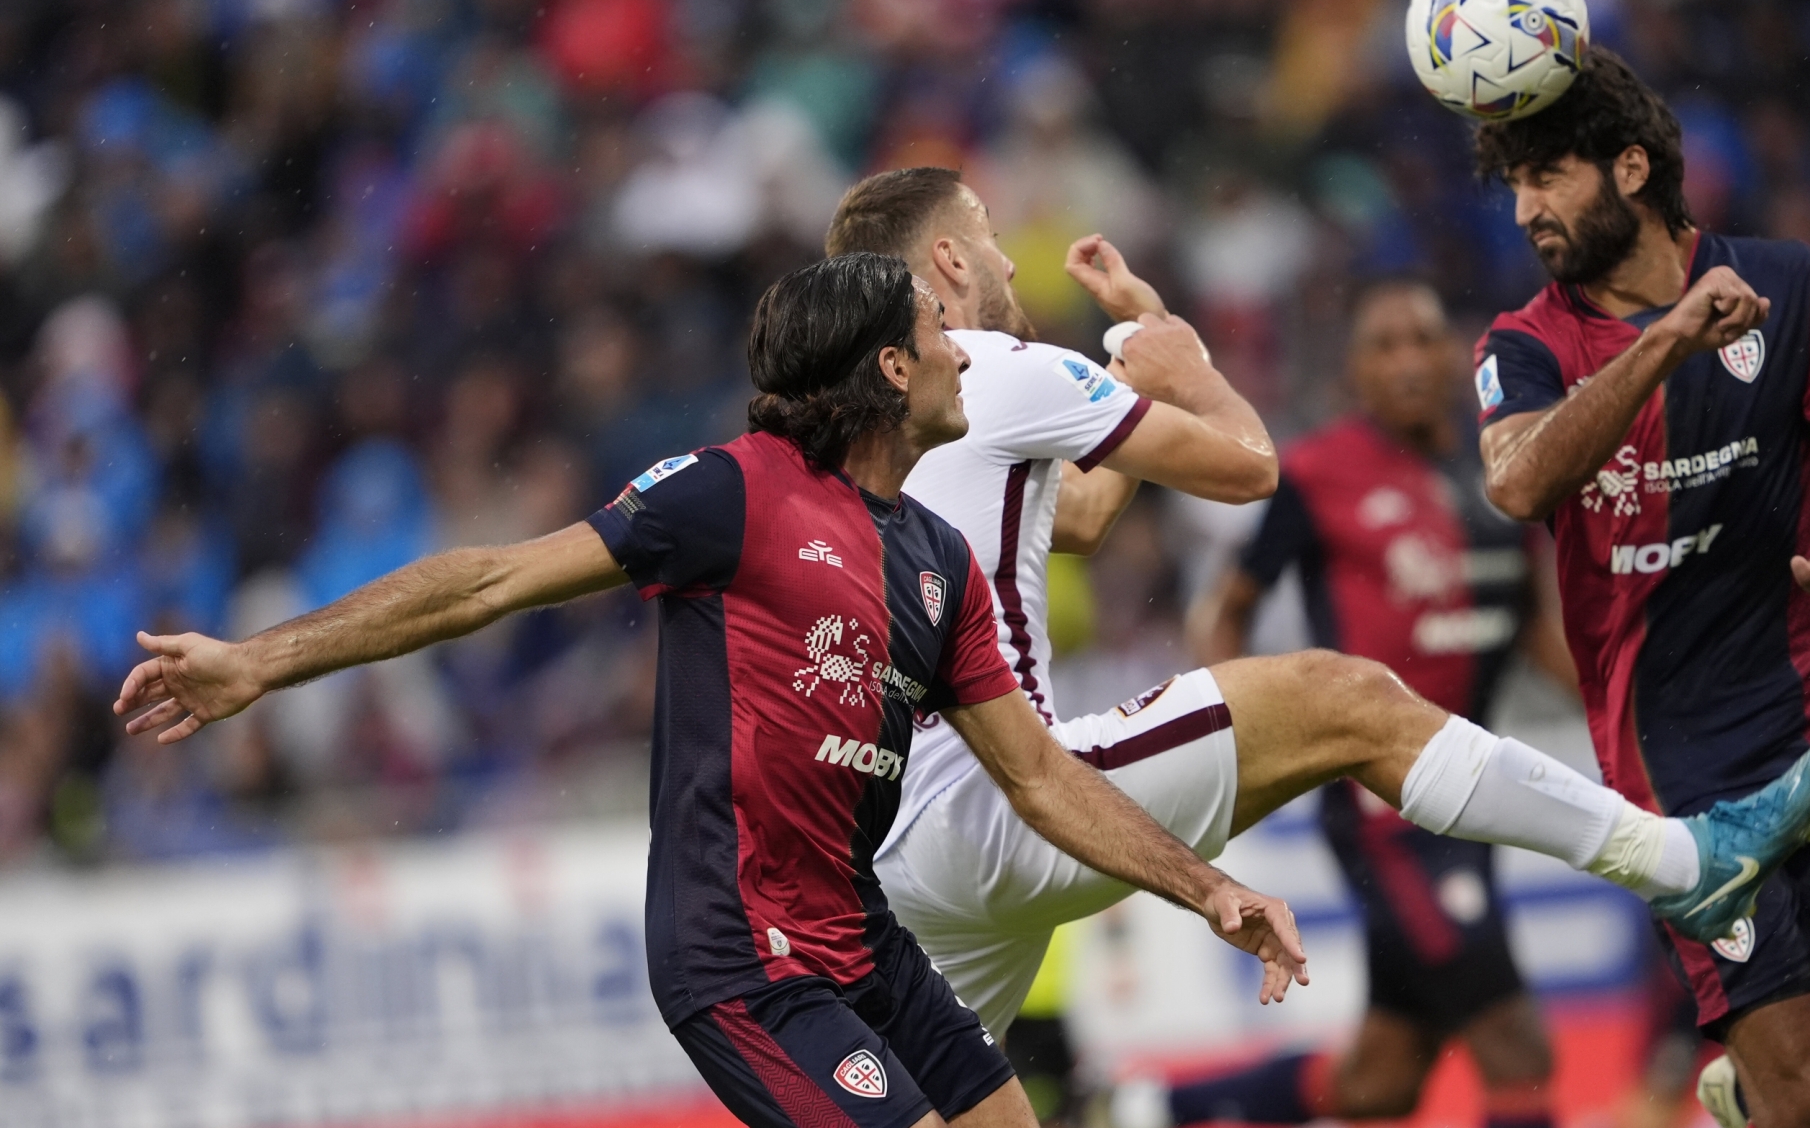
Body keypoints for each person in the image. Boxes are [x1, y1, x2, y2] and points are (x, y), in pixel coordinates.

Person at [110, 254, 1312, 1128]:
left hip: (865, 945)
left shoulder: (937, 565)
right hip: (741, 956)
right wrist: (258, 660)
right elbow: (489, 582)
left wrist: (1205, 888)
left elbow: (1041, 777)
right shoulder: (732, 493)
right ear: (890, 368)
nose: (962, 349)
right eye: (938, 336)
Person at [821, 167, 1810, 1048]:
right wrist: (1182, 364)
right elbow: (1251, 468)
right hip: (1000, 802)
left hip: (898, 845)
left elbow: (1078, 517)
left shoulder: (870, 409)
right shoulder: (1002, 369)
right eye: (994, 243)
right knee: (1343, 695)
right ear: (950, 262)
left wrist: (1143, 357)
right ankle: (1683, 863)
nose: (1010, 266)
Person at [1469, 46, 1810, 1128]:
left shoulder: (1794, 285)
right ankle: (1770, 1101)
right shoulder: (1524, 343)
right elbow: (1519, 480)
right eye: (1517, 185)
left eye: (1550, 176)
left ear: (1630, 169)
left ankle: (1744, 1103)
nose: (1529, 208)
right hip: (1680, 787)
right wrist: (1670, 339)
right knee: (1809, 1102)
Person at [1163, 278, 1569, 1127]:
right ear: (1355, 370)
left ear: (1454, 357)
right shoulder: (1315, 473)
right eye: (1384, 346)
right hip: (1387, 814)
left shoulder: (1497, 470)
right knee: (1518, 1051)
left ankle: (1162, 1106)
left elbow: (1533, 622)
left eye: (1422, 339)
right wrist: (1225, 736)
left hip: (1473, 800)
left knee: (1384, 1080)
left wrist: (1628, 707)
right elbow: (1223, 610)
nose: (1408, 360)